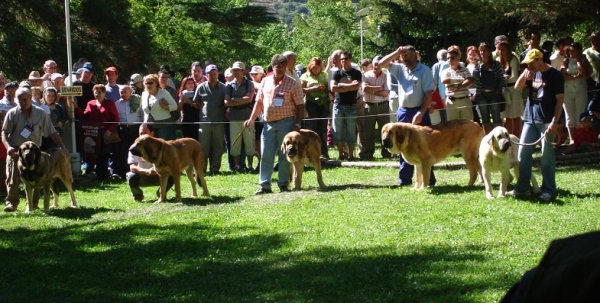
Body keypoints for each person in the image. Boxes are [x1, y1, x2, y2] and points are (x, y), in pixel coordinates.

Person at [243, 54, 304, 195]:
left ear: (286, 66)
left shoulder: (293, 83)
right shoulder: (265, 81)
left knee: (285, 155)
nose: (281, 69)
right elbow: (259, 102)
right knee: (266, 155)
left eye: (283, 66)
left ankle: (283, 184)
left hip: (287, 123)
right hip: (268, 124)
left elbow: (300, 105)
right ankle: (264, 185)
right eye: (278, 66)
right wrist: (251, 119)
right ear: (272, 67)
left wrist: (297, 124)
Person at [3, 87, 69, 212]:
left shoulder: (40, 113)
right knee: (13, 177)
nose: (22, 102)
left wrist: (63, 147)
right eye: (19, 100)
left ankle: (33, 203)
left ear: (30, 98)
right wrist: (8, 147)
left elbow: (52, 132)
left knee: (39, 176)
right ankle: (11, 203)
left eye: (25, 99)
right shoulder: (12, 113)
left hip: (35, 152)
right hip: (16, 150)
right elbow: (4, 133)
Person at [379, 45, 435, 187]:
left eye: (407, 56)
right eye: (402, 57)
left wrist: (421, 112)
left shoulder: (425, 70)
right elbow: (380, 64)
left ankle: (429, 180)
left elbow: (429, 93)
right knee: (401, 145)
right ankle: (404, 180)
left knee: (423, 147)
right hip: (403, 111)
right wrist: (396, 52)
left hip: (419, 111)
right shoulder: (400, 69)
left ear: (415, 55)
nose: (404, 59)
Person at [513, 49, 564, 201]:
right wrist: (524, 75)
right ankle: (522, 188)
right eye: (527, 64)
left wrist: (555, 121)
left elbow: (560, 100)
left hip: (547, 120)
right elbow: (517, 87)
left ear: (540, 59)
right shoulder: (530, 72)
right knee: (523, 153)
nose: (529, 66)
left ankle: (549, 189)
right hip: (530, 118)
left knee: (546, 156)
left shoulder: (555, 75)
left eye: (531, 63)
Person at [73, 84, 119, 180]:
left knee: (104, 153)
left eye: (99, 92)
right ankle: (91, 172)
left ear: (104, 93)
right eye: (95, 92)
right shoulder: (90, 103)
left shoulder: (110, 103)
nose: (97, 94)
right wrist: (76, 107)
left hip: (106, 133)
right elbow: (83, 116)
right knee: (93, 152)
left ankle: (103, 173)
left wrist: (109, 131)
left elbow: (116, 119)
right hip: (93, 133)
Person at [126, 123, 173, 202]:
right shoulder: (134, 148)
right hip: (143, 176)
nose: (142, 136)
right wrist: (147, 171)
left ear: (152, 133)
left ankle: (161, 193)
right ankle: (138, 196)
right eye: (141, 133)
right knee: (131, 176)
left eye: (145, 133)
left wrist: (158, 169)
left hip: (160, 175)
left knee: (172, 174)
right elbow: (132, 167)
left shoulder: (161, 146)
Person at [193, 64, 226, 174]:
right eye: (210, 74)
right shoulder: (201, 87)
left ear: (218, 74)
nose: (212, 76)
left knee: (218, 146)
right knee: (203, 147)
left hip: (218, 122)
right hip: (205, 122)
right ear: (206, 75)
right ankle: (202, 169)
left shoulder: (224, 88)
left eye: (214, 74)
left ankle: (215, 168)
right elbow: (197, 103)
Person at [225, 61, 256, 172]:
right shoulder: (229, 85)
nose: (237, 72)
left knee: (249, 142)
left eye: (239, 70)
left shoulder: (249, 84)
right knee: (235, 143)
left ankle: (250, 165)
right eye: (235, 70)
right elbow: (226, 102)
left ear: (243, 71)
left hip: (247, 117)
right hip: (234, 117)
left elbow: (249, 99)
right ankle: (237, 166)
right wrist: (240, 101)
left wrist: (234, 100)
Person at [330, 51, 361, 161]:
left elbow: (356, 87)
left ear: (350, 59)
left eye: (346, 58)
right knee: (338, 131)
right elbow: (333, 88)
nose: (344, 61)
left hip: (351, 105)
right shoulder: (336, 73)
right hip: (338, 105)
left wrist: (341, 85)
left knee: (351, 131)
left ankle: (351, 155)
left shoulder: (357, 73)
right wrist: (348, 86)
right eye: (342, 59)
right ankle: (340, 154)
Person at [360, 55, 391, 160]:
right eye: (374, 65)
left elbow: (386, 93)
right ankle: (368, 153)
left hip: (383, 106)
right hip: (369, 106)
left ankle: (386, 152)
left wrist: (371, 89)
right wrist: (379, 88)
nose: (376, 67)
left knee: (385, 131)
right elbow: (365, 89)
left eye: (378, 65)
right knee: (368, 131)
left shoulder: (386, 76)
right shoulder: (366, 75)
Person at [561, 42, 591, 146]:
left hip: (580, 89)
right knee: (569, 115)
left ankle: (580, 139)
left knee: (580, 114)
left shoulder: (583, 60)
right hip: (568, 90)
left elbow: (583, 72)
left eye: (573, 50)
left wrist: (578, 60)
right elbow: (562, 74)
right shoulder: (565, 61)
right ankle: (572, 140)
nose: (571, 53)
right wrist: (573, 77)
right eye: (569, 51)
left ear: (578, 50)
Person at [472, 42, 506, 134]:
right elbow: (476, 82)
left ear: (489, 52)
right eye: (481, 51)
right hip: (482, 95)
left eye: (485, 51)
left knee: (496, 118)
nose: (482, 53)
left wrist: (498, 90)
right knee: (485, 119)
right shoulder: (477, 66)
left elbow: (501, 79)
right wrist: (475, 69)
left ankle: (500, 137)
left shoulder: (496, 64)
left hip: (494, 94)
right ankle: (488, 139)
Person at [301, 57, 330, 159]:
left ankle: (324, 152)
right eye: (314, 68)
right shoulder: (305, 76)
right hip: (312, 103)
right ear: (310, 67)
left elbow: (330, 89)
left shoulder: (325, 75)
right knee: (313, 128)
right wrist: (313, 88)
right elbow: (302, 90)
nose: (316, 70)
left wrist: (324, 89)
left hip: (324, 104)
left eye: (318, 68)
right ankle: (312, 152)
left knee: (322, 128)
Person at [115, 85, 143, 178]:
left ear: (131, 92)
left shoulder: (138, 102)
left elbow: (142, 115)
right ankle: (124, 172)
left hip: (135, 128)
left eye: (125, 92)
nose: (123, 94)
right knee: (123, 151)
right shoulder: (116, 104)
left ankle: (138, 169)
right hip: (123, 129)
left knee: (136, 150)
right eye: (121, 92)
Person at [497, 41, 524, 136]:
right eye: (499, 49)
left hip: (513, 89)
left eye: (503, 49)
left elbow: (514, 77)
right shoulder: (498, 61)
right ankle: (509, 137)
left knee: (515, 116)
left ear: (508, 50)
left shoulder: (513, 60)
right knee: (507, 116)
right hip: (504, 90)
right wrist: (503, 78)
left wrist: (502, 78)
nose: (500, 51)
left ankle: (517, 137)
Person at [141, 74, 178, 140]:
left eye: (150, 83)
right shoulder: (144, 94)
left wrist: (165, 107)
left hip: (164, 125)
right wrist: (144, 124)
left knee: (164, 147)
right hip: (150, 126)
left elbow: (175, 106)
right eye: (146, 83)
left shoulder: (164, 92)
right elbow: (145, 111)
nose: (148, 85)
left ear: (156, 83)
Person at [442, 45, 473, 121]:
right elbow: (444, 80)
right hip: (451, 102)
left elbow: (469, 80)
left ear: (458, 57)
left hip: (465, 101)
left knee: (467, 126)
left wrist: (457, 87)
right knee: (453, 128)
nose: (450, 60)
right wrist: (460, 79)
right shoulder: (445, 71)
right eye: (448, 58)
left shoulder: (465, 70)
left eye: (452, 58)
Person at [248, 65, 266, 167]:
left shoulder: (265, 83)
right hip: (252, 114)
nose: (253, 75)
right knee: (256, 139)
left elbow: (259, 87)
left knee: (264, 138)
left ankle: (264, 160)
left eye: (256, 74)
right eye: (252, 74)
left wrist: (253, 84)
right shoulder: (249, 84)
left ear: (262, 74)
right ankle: (260, 160)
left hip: (264, 114)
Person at [432, 49, 449, 122]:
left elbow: (434, 82)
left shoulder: (436, 65)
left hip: (440, 95)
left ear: (438, 58)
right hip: (451, 92)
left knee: (443, 117)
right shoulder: (452, 63)